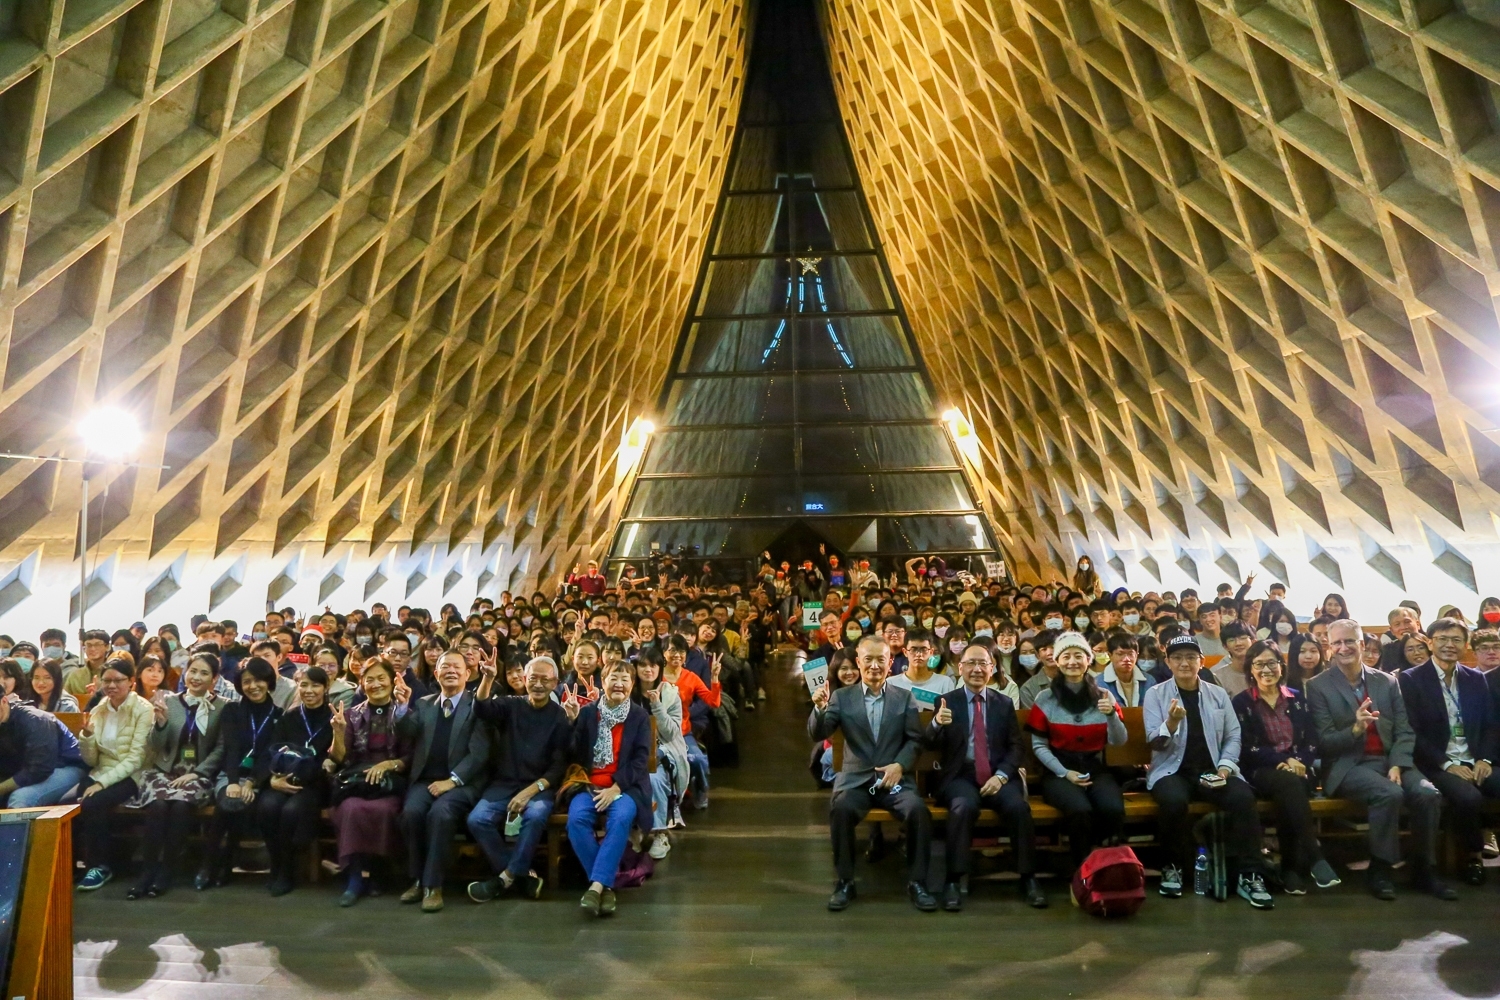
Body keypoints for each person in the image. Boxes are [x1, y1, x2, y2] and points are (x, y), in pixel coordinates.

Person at [1307, 619, 1449, 900]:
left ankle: (1423, 869)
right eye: (1337, 642)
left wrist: (1397, 763)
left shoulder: (1386, 681)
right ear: (1330, 648)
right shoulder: (1318, 686)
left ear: (1361, 644)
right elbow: (1324, 743)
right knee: (1389, 793)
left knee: (1428, 794)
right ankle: (1380, 868)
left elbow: (1404, 729)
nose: (1343, 647)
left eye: (1349, 641)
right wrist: (1355, 729)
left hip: (1391, 760)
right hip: (1349, 765)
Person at [1143, 634, 1274, 909]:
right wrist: (1171, 722)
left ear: (1201, 661)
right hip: (1172, 771)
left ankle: (1250, 874)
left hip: (1212, 771)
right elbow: (1155, 742)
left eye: (1191, 657)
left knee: (1242, 798)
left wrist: (1226, 768)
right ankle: (1173, 867)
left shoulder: (1216, 693)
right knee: (1173, 801)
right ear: (1167, 662)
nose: (1184, 663)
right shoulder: (1155, 694)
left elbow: (1233, 734)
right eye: (1177, 658)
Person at [808, 634, 933, 912]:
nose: (874, 666)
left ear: (891, 663)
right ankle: (845, 881)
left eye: (881, 660)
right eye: (868, 660)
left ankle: (918, 882)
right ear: (859, 663)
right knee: (840, 809)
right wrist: (819, 708)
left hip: (894, 781)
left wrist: (900, 765)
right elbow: (821, 731)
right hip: (857, 780)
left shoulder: (904, 698)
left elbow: (915, 740)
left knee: (918, 812)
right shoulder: (841, 697)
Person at [927, 642, 1044, 909]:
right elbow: (931, 744)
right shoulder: (946, 701)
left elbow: (1016, 747)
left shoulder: (1003, 703)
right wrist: (936, 723)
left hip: (997, 774)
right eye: (971, 663)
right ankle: (954, 880)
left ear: (992, 669)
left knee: (1018, 808)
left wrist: (1002, 776)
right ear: (960, 668)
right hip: (961, 775)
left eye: (984, 664)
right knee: (963, 807)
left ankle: (1028, 878)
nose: (977, 669)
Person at [1398, 617, 1500, 887]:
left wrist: (1485, 759)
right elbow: (1413, 733)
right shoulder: (1411, 679)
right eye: (1442, 639)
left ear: (1465, 645)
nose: (1449, 645)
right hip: (1438, 763)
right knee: (1468, 798)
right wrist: (1447, 764)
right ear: (1430, 643)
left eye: (1456, 639)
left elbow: (1492, 724)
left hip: (1475, 759)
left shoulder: (1476, 679)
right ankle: (1474, 858)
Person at [1231, 641, 1339, 894]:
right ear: (1251, 669)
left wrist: (1299, 761)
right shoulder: (1242, 703)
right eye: (1259, 664)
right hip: (1260, 771)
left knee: (1291, 788)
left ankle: (1290, 872)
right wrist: (1282, 761)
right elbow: (1246, 747)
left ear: (1281, 666)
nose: (1266, 669)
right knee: (1290, 784)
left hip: (1298, 770)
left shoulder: (1297, 697)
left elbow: (1312, 740)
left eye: (1272, 663)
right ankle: (1313, 857)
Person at [466, 656, 571, 902]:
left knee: (535, 816)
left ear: (555, 682)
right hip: (504, 783)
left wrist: (531, 791)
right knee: (477, 819)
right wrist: (488, 678)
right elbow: (481, 708)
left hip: (539, 787)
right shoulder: (512, 704)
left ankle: (505, 878)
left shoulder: (559, 716)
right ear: (524, 680)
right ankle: (522, 876)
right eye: (533, 678)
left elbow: (558, 767)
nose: (538, 684)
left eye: (545, 679)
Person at [126, 652, 227, 898]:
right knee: (159, 805)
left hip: (198, 775)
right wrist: (159, 724)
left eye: (204, 673)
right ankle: (147, 871)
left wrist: (199, 773)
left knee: (181, 806)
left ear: (214, 679)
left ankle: (167, 871)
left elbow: (221, 748)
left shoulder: (223, 707)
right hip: (165, 771)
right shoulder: (169, 702)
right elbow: (157, 746)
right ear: (185, 672)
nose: (196, 677)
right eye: (192, 671)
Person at [397, 649, 490, 911]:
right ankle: (417, 879)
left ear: (468, 673)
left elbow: (480, 753)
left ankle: (434, 885)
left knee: (440, 813)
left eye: (456, 667)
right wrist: (403, 706)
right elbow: (406, 731)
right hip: (425, 780)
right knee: (412, 812)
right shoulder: (425, 703)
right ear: (436, 674)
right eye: (444, 667)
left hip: (462, 783)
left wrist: (454, 780)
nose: (450, 671)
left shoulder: (477, 705)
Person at [1028, 633, 1128, 872]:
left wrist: (1111, 715)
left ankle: (1107, 866)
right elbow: (1038, 745)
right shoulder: (1046, 698)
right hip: (1058, 770)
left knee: (1113, 808)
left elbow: (1119, 740)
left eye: (1078, 656)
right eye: (1066, 656)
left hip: (1094, 767)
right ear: (1057, 661)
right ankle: (1082, 870)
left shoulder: (1104, 695)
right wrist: (1065, 773)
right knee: (1079, 810)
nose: (1072, 661)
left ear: (1088, 659)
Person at [566, 660, 653, 917]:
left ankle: (595, 886)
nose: (619, 684)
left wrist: (616, 788)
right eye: (613, 678)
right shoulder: (587, 713)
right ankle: (606, 885)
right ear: (603, 682)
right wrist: (571, 722)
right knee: (576, 820)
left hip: (624, 787)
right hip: (588, 784)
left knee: (622, 816)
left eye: (625, 679)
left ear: (632, 685)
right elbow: (571, 754)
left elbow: (639, 760)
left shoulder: (638, 716)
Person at [328, 658, 412, 906]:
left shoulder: (404, 713)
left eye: (381, 678)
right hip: (357, 780)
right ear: (362, 683)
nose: (375, 684)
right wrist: (338, 732)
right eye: (369, 679)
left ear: (392, 680)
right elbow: (339, 757)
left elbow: (411, 755)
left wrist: (388, 765)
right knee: (351, 809)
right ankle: (355, 877)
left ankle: (378, 872)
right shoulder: (352, 715)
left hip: (390, 781)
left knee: (385, 811)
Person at [197, 657, 283, 889]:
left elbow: (269, 754)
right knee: (228, 802)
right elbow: (231, 748)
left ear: (268, 682)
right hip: (231, 774)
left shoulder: (278, 714)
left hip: (261, 777)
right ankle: (212, 865)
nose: (253, 686)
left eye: (258, 681)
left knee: (238, 806)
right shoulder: (232, 710)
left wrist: (252, 782)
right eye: (247, 682)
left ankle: (220, 865)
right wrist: (234, 782)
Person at [75, 658, 154, 891]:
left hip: (134, 774)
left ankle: (100, 866)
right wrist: (87, 737)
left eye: (118, 680)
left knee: (93, 802)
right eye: (106, 680)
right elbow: (92, 759)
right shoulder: (99, 708)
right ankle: (75, 865)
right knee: (71, 804)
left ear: (131, 682)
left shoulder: (143, 709)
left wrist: (101, 783)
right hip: (103, 769)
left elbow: (136, 758)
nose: (111, 686)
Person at [259, 666, 335, 896]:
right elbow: (271, 751)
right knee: (268, 805)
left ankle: (288, 869)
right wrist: (273, 779)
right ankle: (276, 863)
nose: (309, 690)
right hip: (284, 778)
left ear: (326, 687)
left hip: (314, 783)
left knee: (292, 811)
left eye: (315, 685)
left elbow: (335, 759)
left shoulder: (334, 717)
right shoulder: (289, 717)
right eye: (304, 685)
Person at [633, 647, 689, 858]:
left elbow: (672, 731)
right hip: (632, 751)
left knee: (654, 778)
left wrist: (657, 706)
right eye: (643, 665)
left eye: (653, 665)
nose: (648, 669)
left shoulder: (670, 694)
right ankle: (633, 830)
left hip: (664, 749)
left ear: (660, 668)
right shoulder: (629, 691)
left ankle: (659, 833)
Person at [0, 695, 87, 807]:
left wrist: (2, 788)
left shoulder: (35, 719)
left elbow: (39, 768)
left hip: (67, 767)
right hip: (25, 771)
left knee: (20, 798)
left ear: (4, 700)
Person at [1101, 633, 1154, 708]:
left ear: (1137, 655)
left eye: (1130, 654)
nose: (1126, 659)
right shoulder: (1099, 684)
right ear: (1110, 656)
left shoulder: (1149, 681)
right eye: (1120, 654)